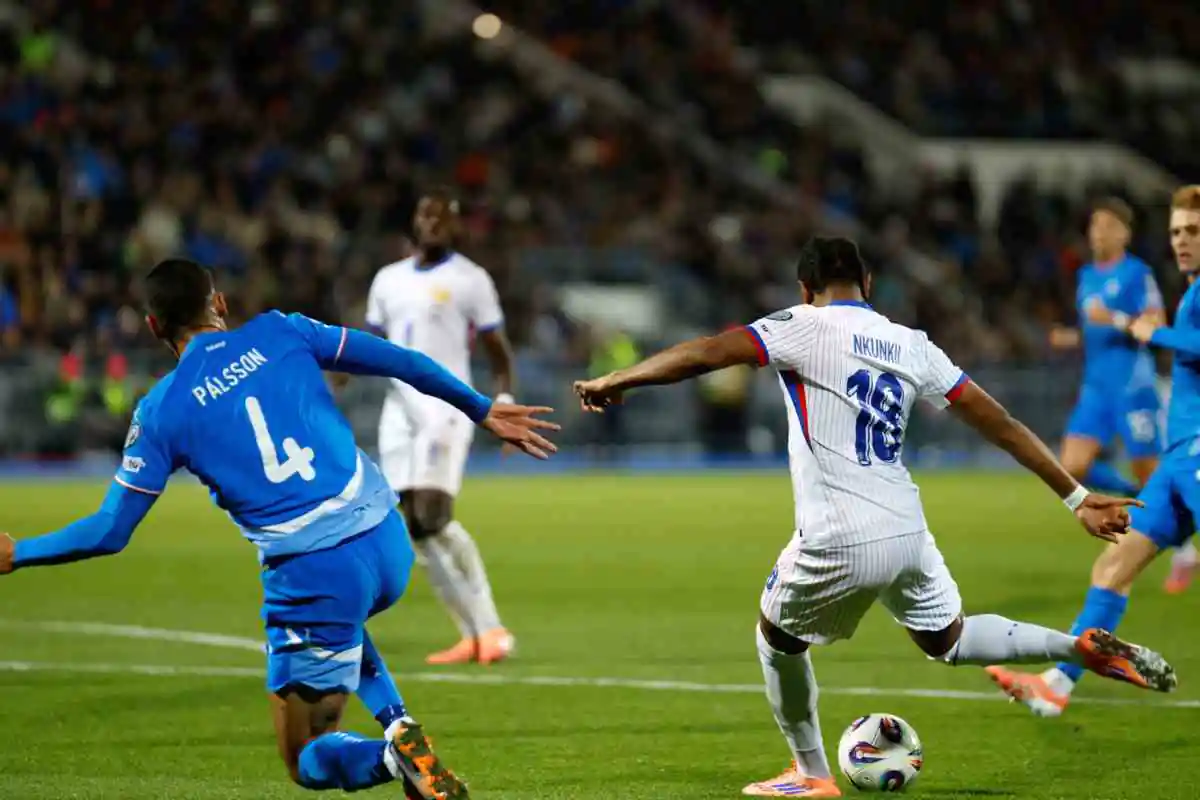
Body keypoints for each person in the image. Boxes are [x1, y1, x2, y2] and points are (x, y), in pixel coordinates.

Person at [573, 237, 1176, 799]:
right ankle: (1075, 647)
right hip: (907, 527)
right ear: (868, 281)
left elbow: (706, 353)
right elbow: (1001, 423)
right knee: (950, 637)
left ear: (804, 287)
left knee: (777, 637)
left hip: (839, 531)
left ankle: (810, 773)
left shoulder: (800, 325)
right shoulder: (912, 343)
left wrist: (620, 378)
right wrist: (1075, 496)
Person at [0, 259, 559, 799]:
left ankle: (393, 758)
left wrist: (17, 552)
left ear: (153, 327)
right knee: (344, 623)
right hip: (386, 539)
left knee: (305, 757)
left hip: (315, 573)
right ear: (218, 303)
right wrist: (480, 407)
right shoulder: (282, 330)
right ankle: (399, 724)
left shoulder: (160, 411)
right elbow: (396, 358)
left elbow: (108, 531)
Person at [987, 185, 1200, 717]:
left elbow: (1167, 338)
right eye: (1176, 231)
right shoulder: (1187, 293)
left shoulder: (1160, 289)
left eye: (1193, 231)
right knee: (1112, 566)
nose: (1181, 241)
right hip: (1177, 461)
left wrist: (1152, 332)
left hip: (1191, 446)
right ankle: (1058, 684)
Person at [366, 189, 517, 666]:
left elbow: (497, 348)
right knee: (415, 528)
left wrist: (505, 397)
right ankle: (475, 635)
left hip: (447, 407)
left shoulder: (470, 279)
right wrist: (335, 375)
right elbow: (369, 341)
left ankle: (490, 628)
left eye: (441, 216)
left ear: (455, 226)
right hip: (398, 411)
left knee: (431, 517)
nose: (431, 223)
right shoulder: (387, 280)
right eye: (424, 214)